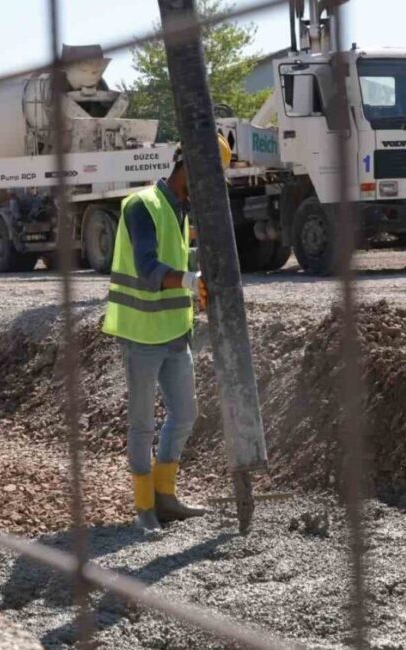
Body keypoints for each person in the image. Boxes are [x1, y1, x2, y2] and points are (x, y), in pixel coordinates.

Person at [102, 134, 231, 532]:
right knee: (141, 424)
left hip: (176, 331)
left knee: (186, 414)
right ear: (186, 168)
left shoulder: (182, 211)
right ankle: (143, 508)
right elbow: (147, 267)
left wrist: (201, 277)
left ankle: (165, 496)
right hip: (142, 332)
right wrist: (191, 281)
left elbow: (177, 259)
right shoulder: (141, 206)